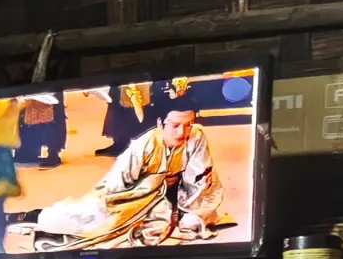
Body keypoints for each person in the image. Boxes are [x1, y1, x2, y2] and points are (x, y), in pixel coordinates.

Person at [32, 104, 228, 249]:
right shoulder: (144, 145)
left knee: (191, 221)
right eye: (175, 125)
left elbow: (201, 177)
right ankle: (38, 214)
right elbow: (118, 185)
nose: (183, 132)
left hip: (179, 195)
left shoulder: (196, 135)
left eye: (188, 124)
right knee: (93, 218)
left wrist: (189, 209)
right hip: (135, 196)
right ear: (161, 123)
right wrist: (155, 185)